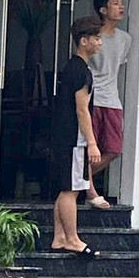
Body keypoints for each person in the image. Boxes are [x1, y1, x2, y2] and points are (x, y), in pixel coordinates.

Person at [50, 16, 105, 256]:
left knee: (66, 187)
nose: (99, 43)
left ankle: (59, 237)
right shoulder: (81, 71)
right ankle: (72, 238)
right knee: (71, 190)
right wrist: (92, 143)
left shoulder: (73, 67)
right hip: (74, 138)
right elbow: (82, 109)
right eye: (96, 38)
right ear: (84, 41)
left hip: (64, 136)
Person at [88, 0, 131, 208]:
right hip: (92, 98)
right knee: (89, 148)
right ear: (103, 10)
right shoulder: (93, 37)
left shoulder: (125, 39)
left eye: (121, 3)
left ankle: (81, 180)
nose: (121, 7)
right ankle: (90, 190)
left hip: (112, 99)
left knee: (114, 149)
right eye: (115, 3)